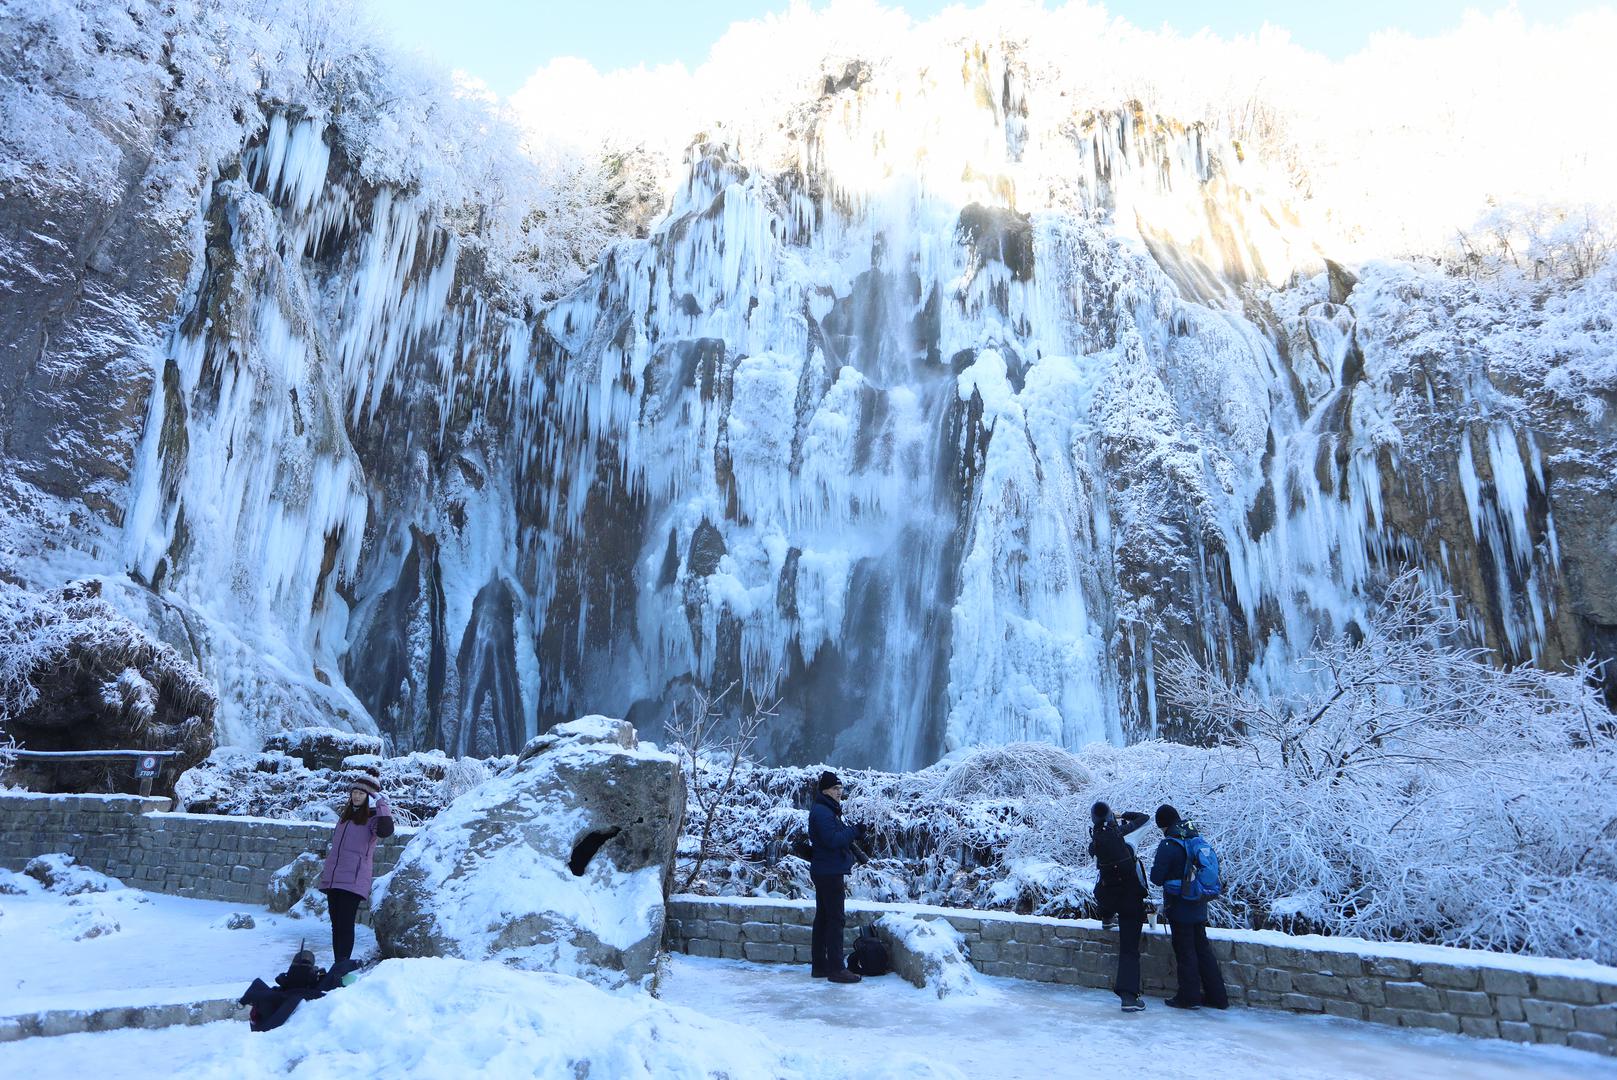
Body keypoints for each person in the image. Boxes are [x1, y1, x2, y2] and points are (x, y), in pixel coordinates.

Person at [1149, 803, 1228, 1010]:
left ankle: (1189, 997)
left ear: (1163, 825)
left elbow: (1156, 878)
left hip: (1179, 905)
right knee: (1202, 949)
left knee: (1185, 951)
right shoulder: (1195, 839)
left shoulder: (1169, 845)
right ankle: (1218, 997)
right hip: (1199, 904)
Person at [318, 764, 394, 965]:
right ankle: (338, 964)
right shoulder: (346, 817)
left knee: (345, 924)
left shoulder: (373, 819)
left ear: (368, 796)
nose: (357, 796)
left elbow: (386, 831)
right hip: (335, 878)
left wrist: (381, 802)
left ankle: (343, 964)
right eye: (355, 792)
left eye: (361, 793)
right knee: (336, 925)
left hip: (353, 879)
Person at [1089, 801, 1150, 1012]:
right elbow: (1144, 818)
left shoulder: (1095, 842)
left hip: (1110, 898)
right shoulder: (1121, 833)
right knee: (1129, 949)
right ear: (1110, 818)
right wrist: (1122, 814)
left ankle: (1106, 918)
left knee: (1104, 888)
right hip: (1131, 898)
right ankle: (1129, 997)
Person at [807, 770, 862, 984]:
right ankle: (837, 969)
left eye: (840, 788)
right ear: (825, 790)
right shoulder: (823, 812)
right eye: (835, 789)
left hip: (825, 869)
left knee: (823, 918)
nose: (840, 792)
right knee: (835, 919)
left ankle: (820, 966)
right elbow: (832, 840)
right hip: (829, 872)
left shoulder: (826, 810)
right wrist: (855, 831)